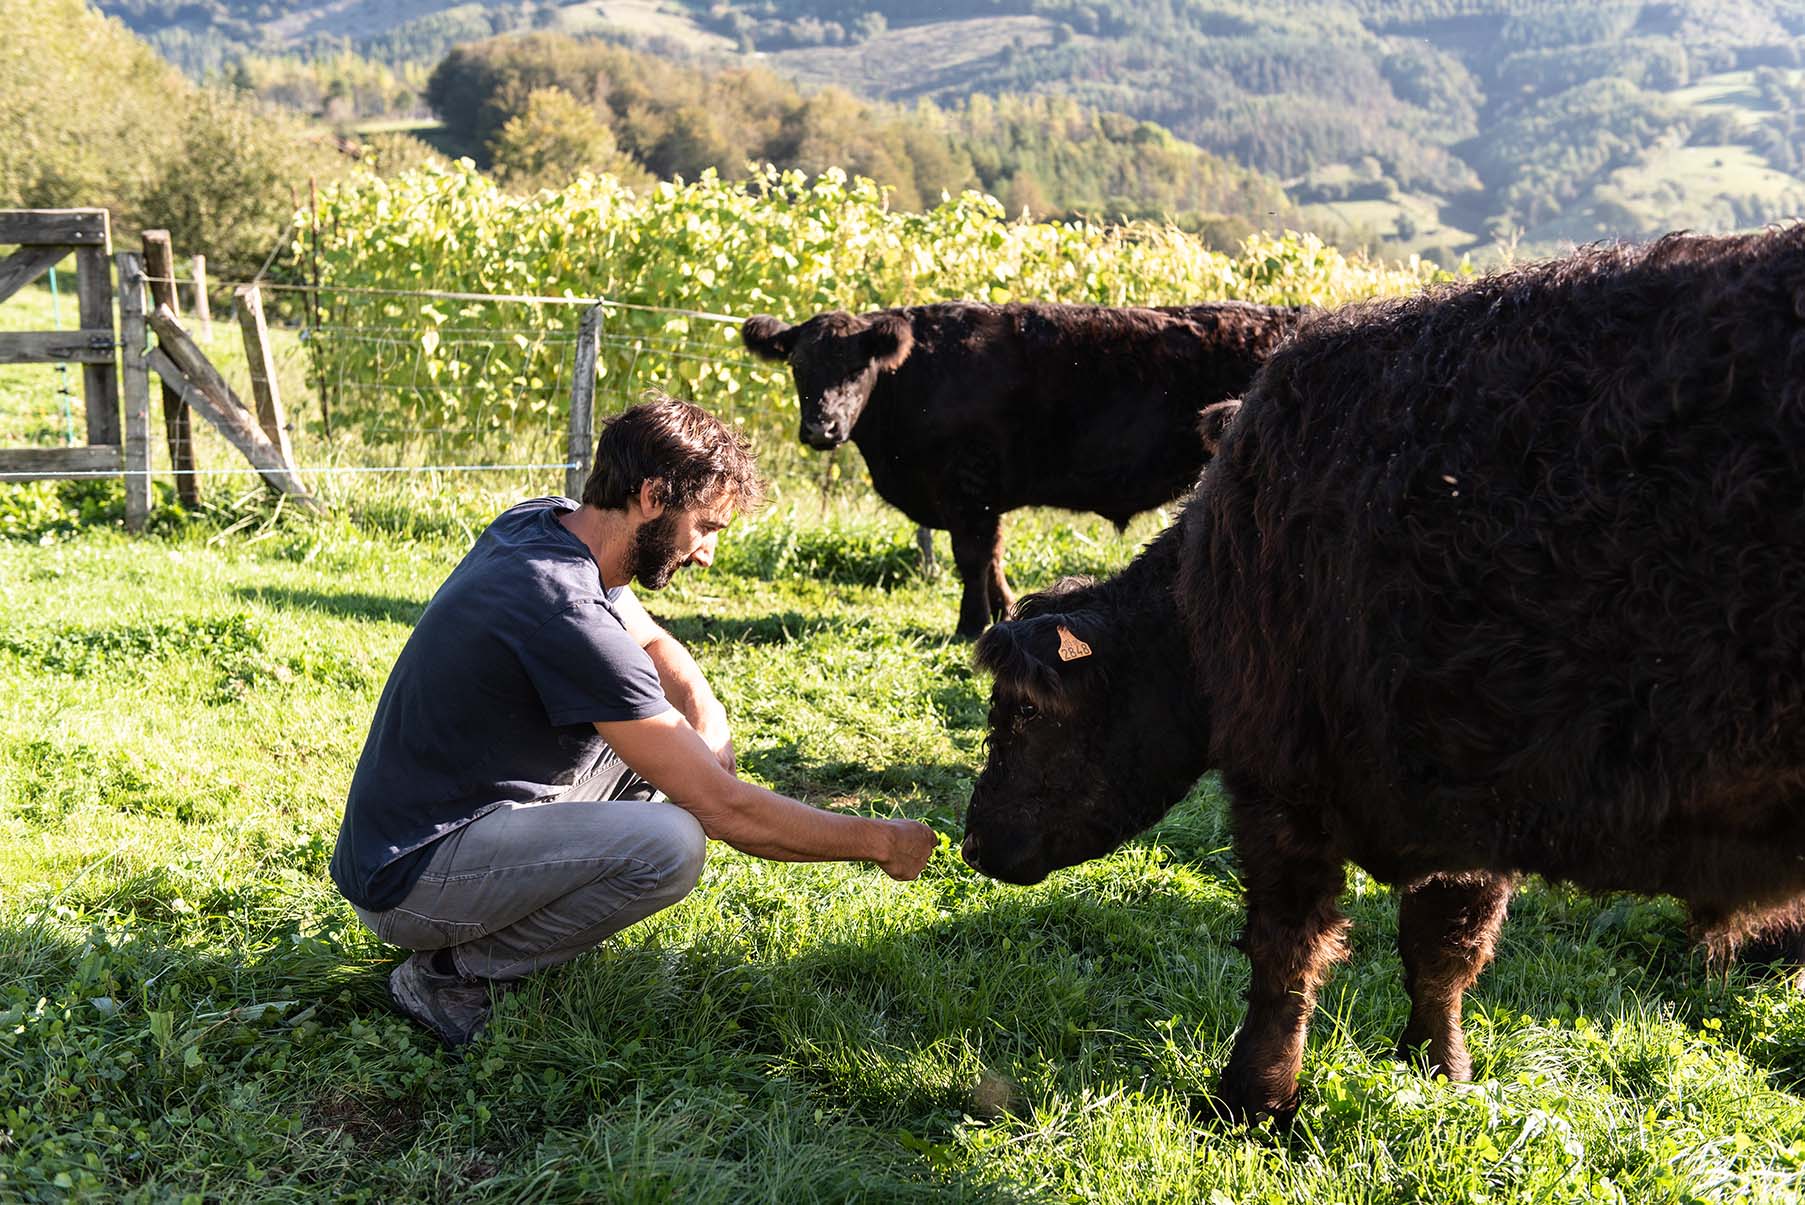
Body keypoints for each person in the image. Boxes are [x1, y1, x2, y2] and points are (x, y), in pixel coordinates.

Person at [330, 393, 940, 1047]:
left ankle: (519, 931)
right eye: (705, 526)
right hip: (409, 877)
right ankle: (449, 973)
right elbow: (730, 812)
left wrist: (705, 715)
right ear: (652, 495)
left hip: (421, 828)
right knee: (670, 844)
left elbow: (655, 645)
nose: (706, 552)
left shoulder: (545, 524)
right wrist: (880, 841)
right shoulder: (565, 614)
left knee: (667, 751)